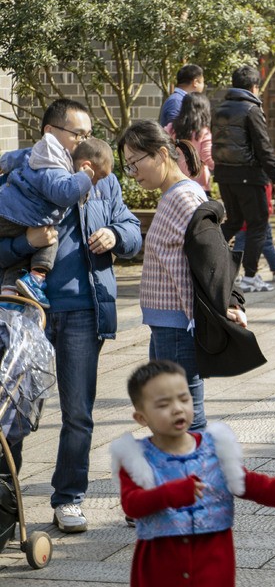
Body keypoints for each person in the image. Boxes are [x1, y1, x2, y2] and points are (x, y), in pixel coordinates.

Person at [0, 98, 143, 533]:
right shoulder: (22, 174)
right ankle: (7, 506)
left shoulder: (102, 176)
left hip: (82, 308)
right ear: (50, 131)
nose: (84, 140)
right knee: (13, 414)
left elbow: (133, 229)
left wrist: (114, 234)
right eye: (76, 133)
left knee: (78, 413)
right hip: (27, 312)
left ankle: (69, 498)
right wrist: (25, 243)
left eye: (87, 133)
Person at [111, 360, 275, 587]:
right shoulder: (136, 459)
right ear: (141, 417)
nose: (177, 408)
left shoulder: (216, 448)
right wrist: (170, 493)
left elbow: (245, 482)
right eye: (164, 404)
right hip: (161, 566)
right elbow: (132, 504)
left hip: (212, 562)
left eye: (184, 399)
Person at [121, 120, 248, 433]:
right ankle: (185, 463)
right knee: (171, 413)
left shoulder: (184, 198)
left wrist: (228, 302)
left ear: (162, 154)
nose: (133, 173)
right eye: (128, 166)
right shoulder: (172, 195)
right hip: (167, 323)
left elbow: (213, 253)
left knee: (185, 416)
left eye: (135, 162)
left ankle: (199, 465)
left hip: (179, 325)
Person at [0, 135, 111, 305]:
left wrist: (3, 163)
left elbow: (14, 157)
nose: (96, 183)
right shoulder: (58, 171)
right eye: (98, 177)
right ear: (86, 166)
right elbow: (65, 195)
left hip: (8, 211)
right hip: (17, 216)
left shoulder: (38, 156)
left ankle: (9, 293)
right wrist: (84, 177)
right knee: (50, 238)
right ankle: (36, 279)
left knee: (24, 256)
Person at [212, 65, 275, 293]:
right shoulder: (251, 109)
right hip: (249, 175)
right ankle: (250, 276)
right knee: (258, 224)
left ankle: (206, 257)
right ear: (254, 87)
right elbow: (263, 146)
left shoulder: (219, 108)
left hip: (224, 175)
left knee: (234, 222)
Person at [164, 91, 214, 194]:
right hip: (198, 185)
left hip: (174, 183)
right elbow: (208, 157)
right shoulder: (203, 132)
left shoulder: (170, 128)